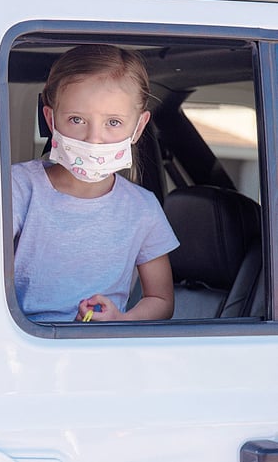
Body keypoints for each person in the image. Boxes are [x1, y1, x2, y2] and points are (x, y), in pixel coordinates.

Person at [12, 44, 178, 322]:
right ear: (51, 120)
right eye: (77, 119)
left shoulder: (142, 208)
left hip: (99, 353)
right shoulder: (18, 188)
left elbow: (161, 299)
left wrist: (120, 321)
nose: (94, 138)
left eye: (113, 122)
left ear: (138, 127)